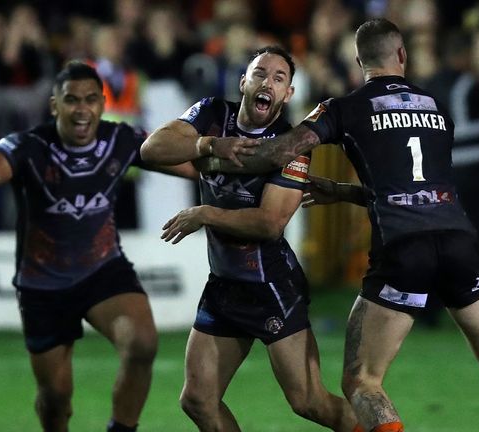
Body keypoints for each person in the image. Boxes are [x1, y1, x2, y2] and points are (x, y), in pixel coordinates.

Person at [200, 19, 479, 432]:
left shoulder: (345, 108)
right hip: (460, 242)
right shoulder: (436, 106)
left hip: (405, 249)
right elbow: (416, 186)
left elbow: (277, 153)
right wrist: (342, 190)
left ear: (357, 61)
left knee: (362, 381)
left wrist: (208, 154)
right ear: (402, 55)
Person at [0, 61, 195, 432]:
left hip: (102, 271)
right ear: (55, 106)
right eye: (71, 100)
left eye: (91, 100)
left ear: (101, 104)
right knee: (55, 400)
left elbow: (189, 165)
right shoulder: (29, 147)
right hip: (43, 285)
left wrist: (233, 163)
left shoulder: (122, 140)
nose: (82, 109)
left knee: (142, 343)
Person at [139, 46, 359, 432]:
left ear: (288, 94)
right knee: (197, 400)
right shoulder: (212, 114)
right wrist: (207, 145)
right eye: (260, 74)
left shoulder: (290, 143)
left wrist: (206, 213)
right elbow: (152, 148)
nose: (267, 83)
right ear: (243, 82)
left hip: (271, 285)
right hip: (225, 285)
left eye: (278, 78)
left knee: (310, 403)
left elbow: (270, 223)